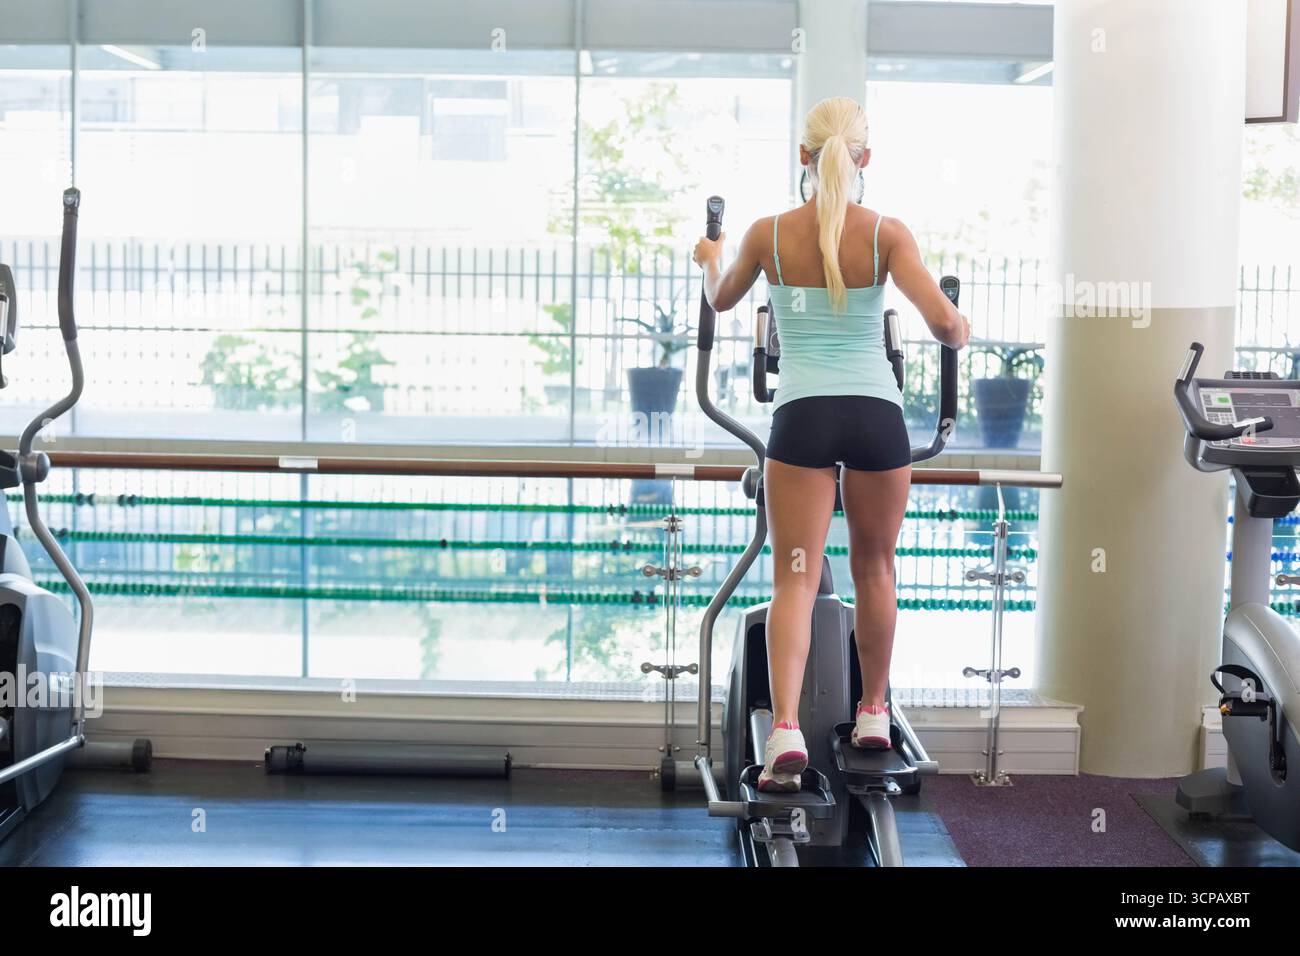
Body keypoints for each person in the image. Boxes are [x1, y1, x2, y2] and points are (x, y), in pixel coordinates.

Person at [692, 96, 970, 792]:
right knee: (875, 567)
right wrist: (956, 318)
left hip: (803, 420)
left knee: (795, 574)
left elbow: (722, 298)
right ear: (866, 158)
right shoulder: (887, 235)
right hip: (876, 416)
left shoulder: (766, 233)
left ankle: (786, 729)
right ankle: (872, 712)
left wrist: (709, 256)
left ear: (803, 158)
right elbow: (946, 327)